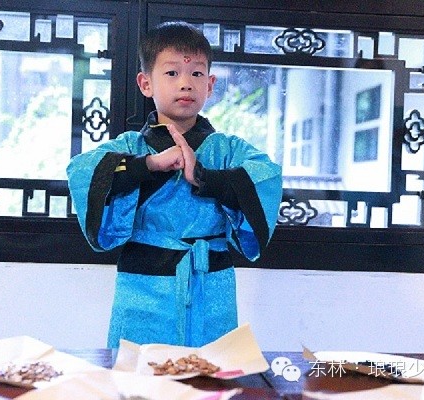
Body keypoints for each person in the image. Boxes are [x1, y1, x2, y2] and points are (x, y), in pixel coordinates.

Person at [66, 21, 282, 349]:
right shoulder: (130, 147)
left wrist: (205, 177)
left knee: (211, 371)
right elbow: (82, 172)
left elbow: (267, 176)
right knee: (138, 370)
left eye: (196, 73)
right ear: (145, 83)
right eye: (171, 73)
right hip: (142, 287)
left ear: (210, 85)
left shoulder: (228, 150)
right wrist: (148, 165)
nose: (185, 83)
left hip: (210, 284)